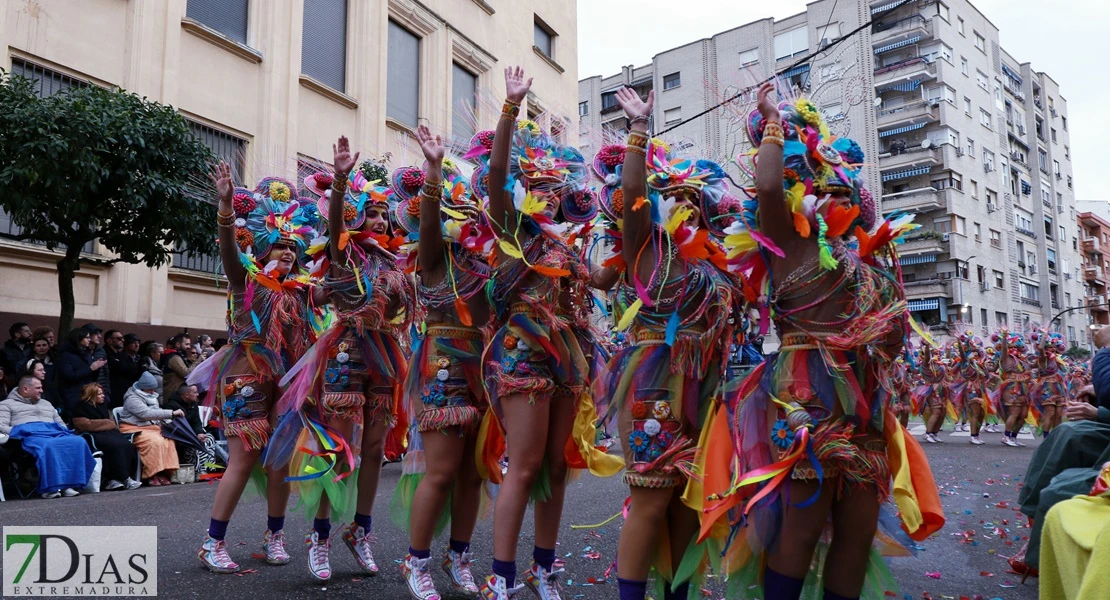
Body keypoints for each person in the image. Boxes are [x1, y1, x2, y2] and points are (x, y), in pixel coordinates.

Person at [701, 83, 943, 600]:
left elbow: (895, 338)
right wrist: (771, 123)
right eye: (818, 184)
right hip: (804, 397)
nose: (831, 194)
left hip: (865, 403)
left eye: (841, 188)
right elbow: (767, 189)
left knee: (856, 531)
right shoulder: (788, 243)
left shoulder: (869, 265)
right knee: (802, 526)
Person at [471, 66, 618, 600]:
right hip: (523, 355)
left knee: (556, 465)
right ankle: (501, 576)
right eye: (540, 188)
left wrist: (631, 233)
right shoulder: (514, 231)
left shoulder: (569, 246)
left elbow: (600, 279)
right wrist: (511, 108)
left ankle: (543, 568)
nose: (550, 196)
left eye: (557, 190)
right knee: (526, 462)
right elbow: (495, 178)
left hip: (568, 358)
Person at [603, 84, 743, 600]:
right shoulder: (645, 250)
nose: (683, 205)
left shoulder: (713, 264)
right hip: (654, 384)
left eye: (692, 199)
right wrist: (639, 132)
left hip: (705, 387)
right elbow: (634, 192)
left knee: (690, 496)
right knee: (650, 494)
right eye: (674, 197)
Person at [273, 139, 414, 582]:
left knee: (374, 449)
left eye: (382, 214)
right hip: (345, 353)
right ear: (356, 216)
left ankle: (361, 531)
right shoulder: (342, 253)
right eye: (370, 213)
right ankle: (320, 538)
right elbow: (334, 225)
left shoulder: (395, 261)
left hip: (386, 356)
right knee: (339, 449)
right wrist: (337, 180)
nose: (378, 220)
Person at [190, 165, 320, 574]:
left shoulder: (303, 292)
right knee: (242, 461)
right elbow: (229, 252)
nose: (287, 252)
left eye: (292, 246)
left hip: (284, 382)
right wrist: (226, 210)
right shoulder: (245, 280)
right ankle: (213, 542)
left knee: (279, 459)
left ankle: (274, 536)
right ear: (262, 247)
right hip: (244, 376)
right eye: (279, 244)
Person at [387, 128, 495, 598]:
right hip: (442, 364)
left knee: (474, 471)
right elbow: (428, 226)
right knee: (442, 470)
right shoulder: (433, 257)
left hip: (485, 365)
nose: (468, 213)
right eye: (460, 206)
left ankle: (460, 556)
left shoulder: (488, 258)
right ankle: (417, 563)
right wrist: (433, 171)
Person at [1011, 325, 1110, 575]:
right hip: (1037, 389)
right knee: (1065, 432)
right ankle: (1036, 525)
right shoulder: (1040, 359)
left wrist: (1106, 350)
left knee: (1062, 486)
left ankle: (1044, 550)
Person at [0, 376, 96, 498]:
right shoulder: (6, 405)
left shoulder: (46, 403)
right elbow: (1, 426)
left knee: (78, 441)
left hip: (53, 433)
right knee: (48, 445)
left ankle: (69, 485)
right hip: (30, 438)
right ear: (25, 389)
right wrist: (22, 431)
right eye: (38, 388)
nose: (41, 390)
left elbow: (61, 424)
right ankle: (50, 488)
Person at [71, 383, 141, 491]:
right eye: (99, 394)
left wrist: (104, 423)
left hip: (108, 433)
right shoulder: (80, 407)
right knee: (114, 446)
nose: (103, 396)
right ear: (91, 395)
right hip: (92, 436)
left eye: (102, 393)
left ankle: (121, 477)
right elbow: (86, 425)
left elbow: (110, 424)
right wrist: (107, 423)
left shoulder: (102, 406)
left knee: (127, 444)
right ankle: (119, 479)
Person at [119, 371, 181, 486]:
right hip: (133, 428)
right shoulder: (132, 398)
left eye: (153, 389)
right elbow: (146, 413)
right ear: (143, 388)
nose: (153, 392)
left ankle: (164, 472)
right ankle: (152, 473)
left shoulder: (152, 396)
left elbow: (157, 414)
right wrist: (171, 413)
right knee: (154, 442)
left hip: (150, 427)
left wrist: (168, 422)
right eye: (150, 389)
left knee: (168, 439)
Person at [57, 327, 107, 422]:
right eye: (86, 337)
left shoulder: (86, 353)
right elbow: (68, 375)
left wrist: (96, 368)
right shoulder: (65, 355)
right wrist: (90, 368)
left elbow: (91, 375)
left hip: (87, 394)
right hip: (72, 395)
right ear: (78, 339)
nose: (89, 339)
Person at [108, 333, 142, 408]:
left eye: (138, 343)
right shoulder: (120, 357)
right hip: (121, 392)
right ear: (126, 344)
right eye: (134, 343)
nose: (137, 345)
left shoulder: (139, 358)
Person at [162, 333, 196, 404]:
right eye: (186, 344)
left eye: (189, 344)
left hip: (178, 396)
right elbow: (186, 373)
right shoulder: (174, 358)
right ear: (178, 344)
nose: (189, 347)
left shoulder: (181, 356)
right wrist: (198, 361)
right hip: (172, 397)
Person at [83, 324, 112, 405]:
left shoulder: (101, 351)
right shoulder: (81, 351)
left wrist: (107, 392)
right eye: (96, 333)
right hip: (87, 391)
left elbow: (106, 372)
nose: (99, 336)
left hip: (101, 391)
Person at [3, 322, 31, 388]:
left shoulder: (32, 349)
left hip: (30, 385)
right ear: (17, 334)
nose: (30, 333)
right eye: (27, 331)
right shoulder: (5, 351)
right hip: (13, 386)